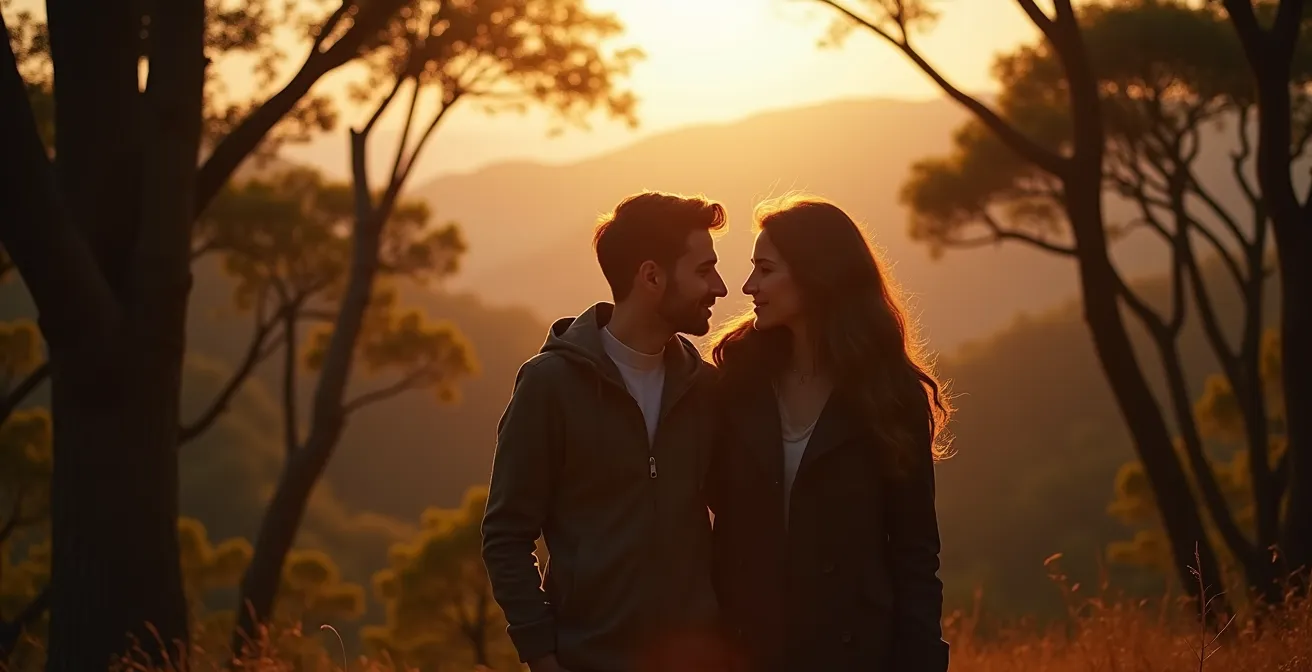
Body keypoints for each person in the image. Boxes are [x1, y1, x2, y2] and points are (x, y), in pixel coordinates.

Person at [482, 191, 732, 672]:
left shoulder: (706, 390)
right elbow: (507, 534)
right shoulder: (549, 386)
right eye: (703, 270)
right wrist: (542, 656)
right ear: (652, 276)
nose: (720, 287)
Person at [708, 194, 952, 672]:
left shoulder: (890, 395)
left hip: (853, 652)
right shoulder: (737, 378)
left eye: (765, 269)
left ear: (815, 275)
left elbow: (914, 551)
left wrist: (923, 659)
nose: (748, 285)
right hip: (745, 651)